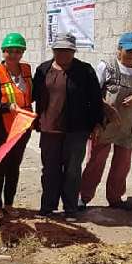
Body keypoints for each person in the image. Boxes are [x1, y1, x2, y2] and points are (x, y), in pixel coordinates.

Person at [80, 32, 132, 211]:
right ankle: (83, 197)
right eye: (128, 51)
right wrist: (106, 109)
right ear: (119, 50)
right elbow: (92, 94)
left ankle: (115, 198)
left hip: (129, 125)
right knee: (96, 161)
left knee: (122, 164)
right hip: (105, 124)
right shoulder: (106, 67)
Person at [32, 33, 103, 217]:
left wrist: (97, 123)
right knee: (49, 169)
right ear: (53, 50)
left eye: (67, 50)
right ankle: (48, 207)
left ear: (73, 51)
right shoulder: (43, 70)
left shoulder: (85, 71)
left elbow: (95, 100)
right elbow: (34, 96)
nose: (63, 54)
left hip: (77, 129)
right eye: (59, 50)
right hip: (49, 128)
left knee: (72, 170)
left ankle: (70, 208)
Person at [0, 32, 33, 218]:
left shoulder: (27, 71)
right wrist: (8, 107)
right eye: (9, 51)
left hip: (21, 128)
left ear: (22, 53)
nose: (13, 55)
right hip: (1, 129)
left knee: (14, 166)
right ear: (3, 52)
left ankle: (9, 203)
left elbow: (31, 96)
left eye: (18, 51)